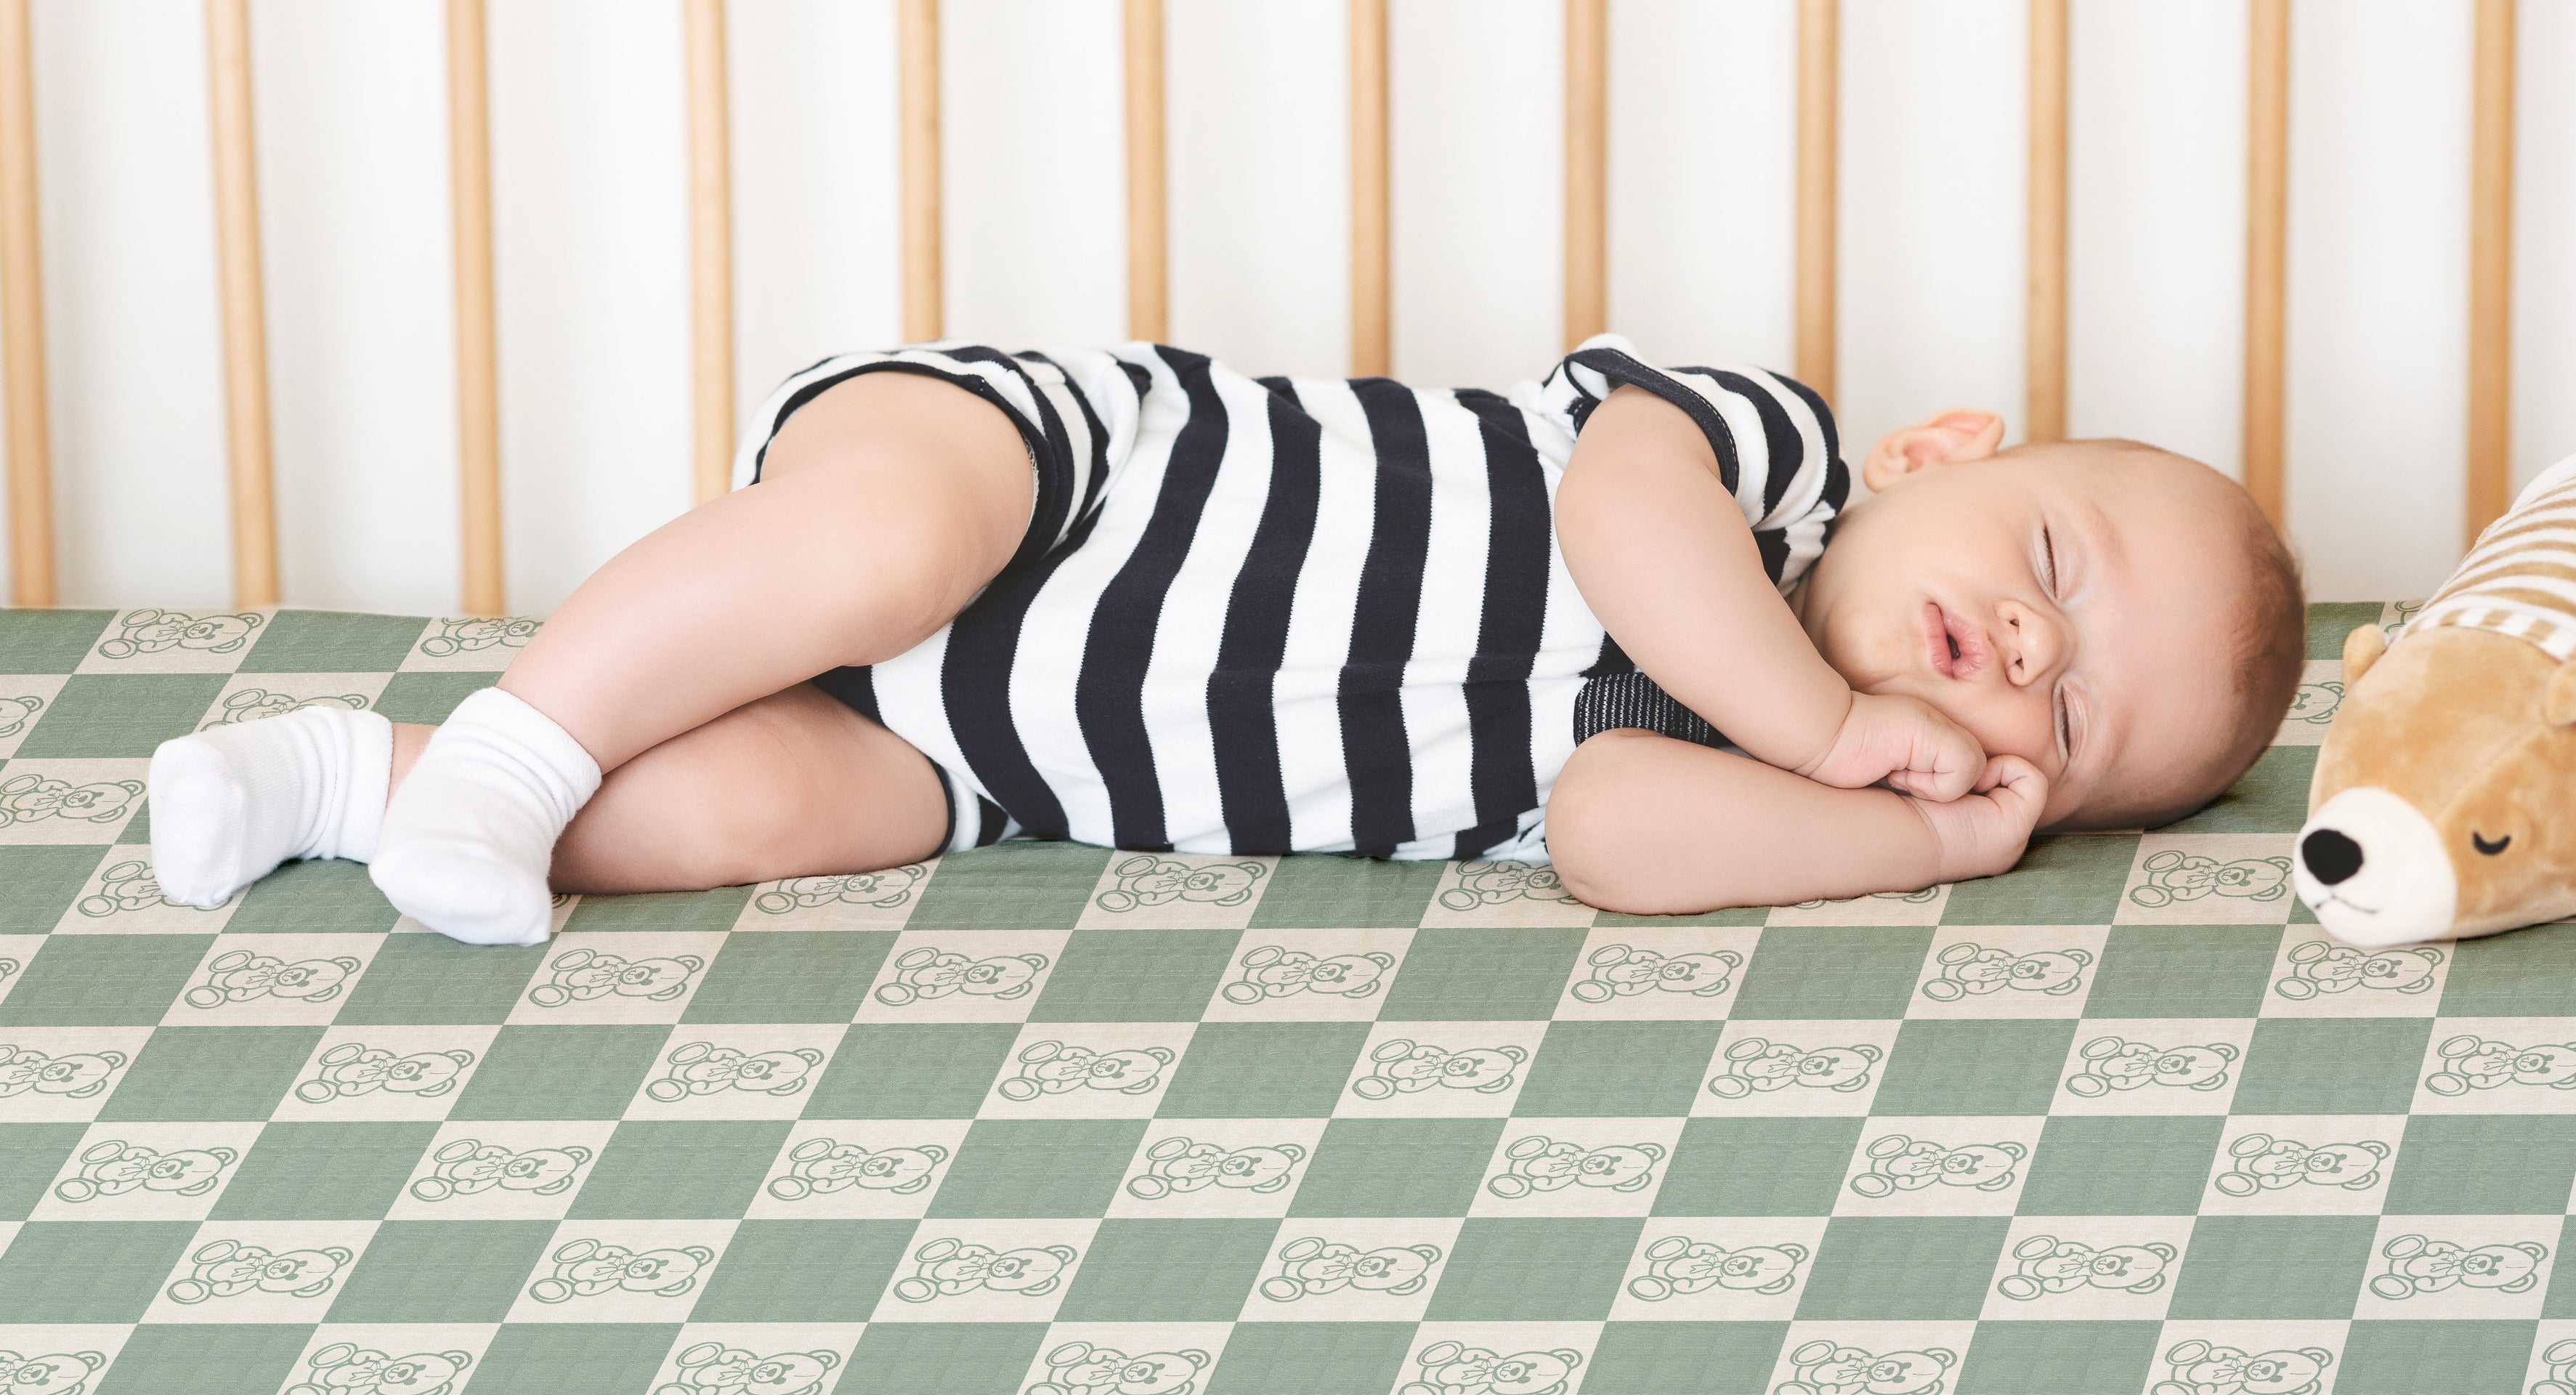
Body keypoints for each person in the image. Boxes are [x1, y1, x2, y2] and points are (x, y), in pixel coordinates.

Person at [146, 336, 2303, 944]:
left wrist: (1913, 845)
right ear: (1947, 446)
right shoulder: (1763, 464)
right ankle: (523, 751)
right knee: (876, 549)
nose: (2026, 647)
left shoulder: (1740, 776)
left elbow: (1610, 839)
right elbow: (1619, 518)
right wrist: (1836, 718)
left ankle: (351, 784)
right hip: (1063, 474)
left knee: (773, 813)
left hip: (1005, 760)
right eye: (2057, 557)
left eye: (2069, 718)